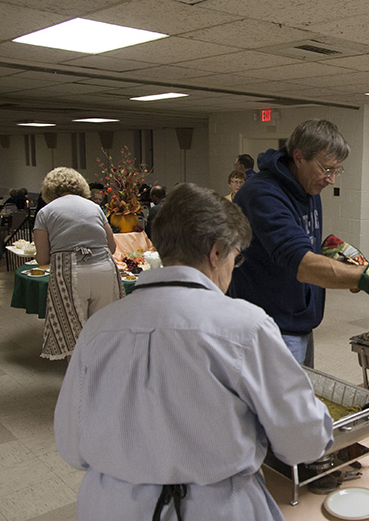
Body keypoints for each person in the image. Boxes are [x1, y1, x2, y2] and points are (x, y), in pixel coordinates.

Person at [54, 182, 334, 521]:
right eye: (236, 257)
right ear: (216, 252)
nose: (234, 268)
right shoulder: (243, 326)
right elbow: (303, 442)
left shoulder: (99, 329)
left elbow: (71, 445)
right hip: (213, 508)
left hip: (111, 505)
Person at [229, 119, 368, 367]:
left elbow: (303, 243)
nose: (332, 179)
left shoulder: (308, 187)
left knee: (301, 401)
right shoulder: (262, 194)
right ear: (299, 157)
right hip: (270, 327)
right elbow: (303, 265)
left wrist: (340, 263)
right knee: (279, 405)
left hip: (298, 320)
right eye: (327, 169)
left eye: (337, 170)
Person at [33, 167, 123, 360]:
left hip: (69, 272)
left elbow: (42, 258)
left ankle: (80, 381)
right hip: (104, 270)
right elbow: (112, 247)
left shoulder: (46, 212)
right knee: (103, 328)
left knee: (72, 333)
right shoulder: (94, 207)